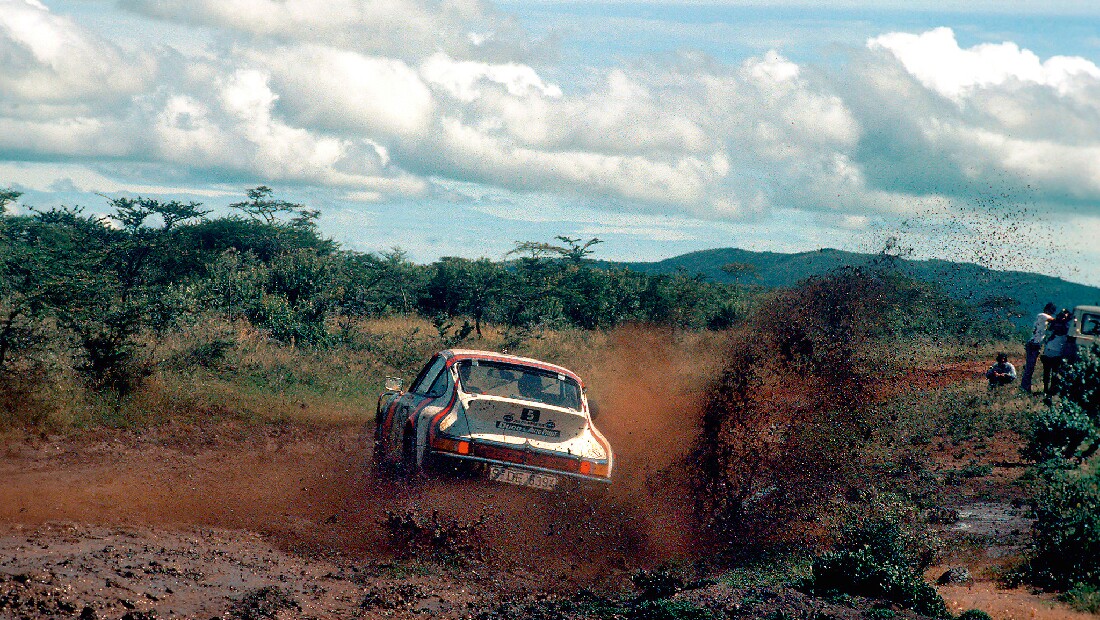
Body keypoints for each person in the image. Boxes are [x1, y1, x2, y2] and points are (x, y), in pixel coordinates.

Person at [1021, 302, 1056, 393]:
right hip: (1034, 344)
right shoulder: (1042, 315)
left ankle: (1025, 387)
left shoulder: (1042, 318)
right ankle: (1024, 387)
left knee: (1030, 367)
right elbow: (1054, 320)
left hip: (1035, 344)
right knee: (1029, 367)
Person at [1041, 309, 1072, 396]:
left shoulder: (1053, 325)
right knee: (1054, 373)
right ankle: (1051, 389)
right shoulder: (1066, 327)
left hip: (1048, 350)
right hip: (1057, 352)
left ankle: (1046, 389)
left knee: (1047, 372)